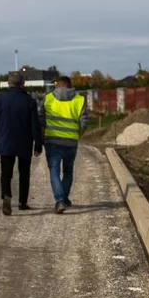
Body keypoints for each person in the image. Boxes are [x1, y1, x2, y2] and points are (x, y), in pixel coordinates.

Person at [0, 71, 43, 216]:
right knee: (24, 173)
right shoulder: (29, 101)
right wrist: (38, 145)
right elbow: (35, 126)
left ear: (9, 83)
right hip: (24, 143)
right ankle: (22, 202)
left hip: (5, 143)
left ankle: (6, 195)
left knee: (6, 173)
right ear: (23, 84)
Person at [41, 76, 89, 213]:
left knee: (54, 171)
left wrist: (42, 135)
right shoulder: (80, 100)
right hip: (71, 142)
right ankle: (64, 199)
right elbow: (84, 122)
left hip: (52, 141)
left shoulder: (48, 98)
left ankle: (60, 200)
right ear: (69, 85)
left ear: (58, 86)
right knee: (68, 172)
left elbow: (41, 119)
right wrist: (78, 135)